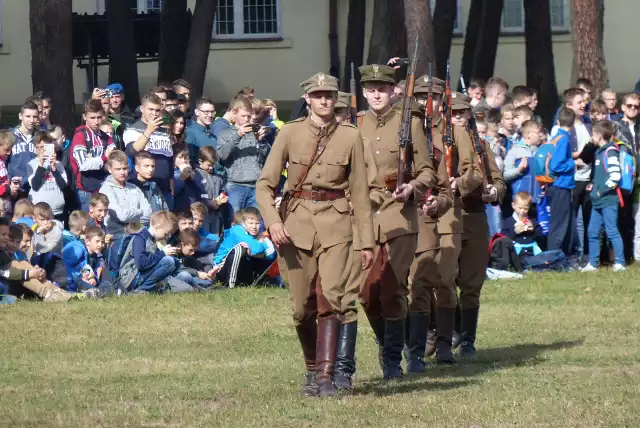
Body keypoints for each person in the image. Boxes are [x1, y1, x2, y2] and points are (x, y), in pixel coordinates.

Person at [256, 72, 375, 397]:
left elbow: (361, 195)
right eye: (318, 95)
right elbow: (265, 185)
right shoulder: (290, 134)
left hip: (337, 225)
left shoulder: (350, 136)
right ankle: (312, 368)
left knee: (333, 299)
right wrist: (273, 222)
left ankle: (325, 378)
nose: (324, 100)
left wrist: (366, 241)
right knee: (301, 308)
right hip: (296, 227)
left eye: (329, 95)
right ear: (307, 99)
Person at [355, 64, 437, 379]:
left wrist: (413, 187)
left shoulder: (410, 124)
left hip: (399, 213)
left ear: (393, 92)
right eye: (371, 88)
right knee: (365, 292)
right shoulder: (354, 124)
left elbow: (427, 170)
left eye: (383, 89)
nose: (377, 94)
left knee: (392, 288)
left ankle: (392, 360)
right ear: (364, 92)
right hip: (364, 216)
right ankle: (387, 339)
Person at [407, 76, 472, 368]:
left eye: (431, 96)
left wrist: (458, 183)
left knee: (445, 280)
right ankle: (420, 344)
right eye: (420, 97)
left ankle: (445, 342)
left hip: (447, 215)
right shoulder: (407, 131)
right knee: (417, 281)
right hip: (414, 213)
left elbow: (474, 172)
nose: (426, 102)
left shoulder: (455, 132)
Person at [449, 93, 506, 358]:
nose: (457, 118)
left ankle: (468, 340)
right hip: (445, 216)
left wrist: (494, 192)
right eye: (453, 113)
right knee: (443, 280)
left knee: (471, 283)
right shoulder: (436, 146)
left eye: (461, 113)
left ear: (469, 116)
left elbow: (498, 180)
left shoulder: (480, 146)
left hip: (473, 216)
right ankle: (451, 331)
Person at [552, 88, 592, 263]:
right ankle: (566, 256)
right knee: (570, 221)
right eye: (579, 102)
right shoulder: (561, 130)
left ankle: (584, 256)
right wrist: (575, 160)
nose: (584, 105)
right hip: (571, 180)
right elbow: (558, 160)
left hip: (588, 178)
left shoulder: (588, 124)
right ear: (568, 106)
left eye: (584, 101)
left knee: (587, 220)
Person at [581, 121, 626, 272]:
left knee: (612, 230)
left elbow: (615, 176)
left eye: (593, 134)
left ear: (599, 136)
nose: (591, 137)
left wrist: (602, 190)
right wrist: (594, 186)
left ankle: (620, 262)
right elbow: (601, 175)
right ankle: (593, 263)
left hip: (608, 200)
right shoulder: (598, 152)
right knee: (592, 231)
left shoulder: (610, 151)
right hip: (597, 201)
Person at [217, 97, 271, 213]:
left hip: (255, 186)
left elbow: (267, 157)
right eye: (244, 116)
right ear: (234, 114)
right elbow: (222, 155)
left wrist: (261, 141)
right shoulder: (226, 133)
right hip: (235, 186)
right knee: (234, 223)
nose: (247, 119)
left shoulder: (255, 134)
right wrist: (238, 135)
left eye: (249, 116)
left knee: (254, 224)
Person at [124, 92, 174, 209]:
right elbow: (131, 151)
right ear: (142, 108)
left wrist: (171, 189)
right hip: (144, 188)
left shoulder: (164, 131)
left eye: (157, 110)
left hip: (165, 189)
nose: (154, 113)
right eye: (150, 109)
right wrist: (149, 131)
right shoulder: (132, 129)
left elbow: (169, 160)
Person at [212, 208, 276, 288]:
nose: (254, 227)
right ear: (243, 224)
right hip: (222, 268)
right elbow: (255, 249)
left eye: (257, 223)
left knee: (259, 254)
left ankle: (260, 279)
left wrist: (259, 248)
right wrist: (260, 241)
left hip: (239, 267)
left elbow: (271, 254)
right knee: (241, 249)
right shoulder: (237, 231)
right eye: (251, 223)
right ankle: (230, 284)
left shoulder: (255, 234)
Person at [70, 99, 115, 211]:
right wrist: (104, 157)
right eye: (92, 118)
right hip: (86, 191)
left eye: (99, 117)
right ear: (84, 117)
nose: (96, 122)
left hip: (104, 189)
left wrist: (104, 161)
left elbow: (113, 161)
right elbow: (83, 164)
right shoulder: (80, 136)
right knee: (88, 226)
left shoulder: (106, 137)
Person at [119, 210, 179, 293]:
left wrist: (164, 252)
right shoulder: (140, 238)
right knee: (169, 261)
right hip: (132, 278)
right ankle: (141, 289)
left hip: (141, 275)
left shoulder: (152, 239)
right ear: (157, 227)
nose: (167, 237)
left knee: (175, 262)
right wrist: (163, 253)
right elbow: (141, 264)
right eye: (166, 234)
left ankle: (153, 287)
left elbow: (153, 259)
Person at [99, 150, 152, 241]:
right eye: (118, 169)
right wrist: (140, 212)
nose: (122, 172)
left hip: (138, 236)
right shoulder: (106, 190)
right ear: (110, 169)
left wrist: (131, 216)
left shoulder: (134, 188)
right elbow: (121, 216)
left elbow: (149, 214)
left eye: (125, 168)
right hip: (117, 238)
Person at [547, 107, 577, 255]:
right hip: (561, 185)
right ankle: (553, 256)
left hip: (557, 185)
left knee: (563, 222)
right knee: (559, 224)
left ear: (558, 121)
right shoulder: (564, 139)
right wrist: (573, 163)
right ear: (573, 123)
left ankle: (560, 255)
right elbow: (556, 165)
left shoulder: (556, 137)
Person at [26, 131, 67, 222]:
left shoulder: (58, 164)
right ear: (35, 148)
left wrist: (54, 168)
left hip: (56, 210)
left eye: (46, 147)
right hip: (39, 211)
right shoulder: (31, 164)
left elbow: (63, 185)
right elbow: (35, 185)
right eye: (41, 147)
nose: (43, 150)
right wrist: (41, 165)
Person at [62, 226, 110, 294]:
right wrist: (82, 279)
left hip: (79, 282)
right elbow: (64, 268)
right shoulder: (78, 249)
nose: (100, 245)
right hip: (67, 284)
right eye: (97, 241)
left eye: (102, 242)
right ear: (87, 241)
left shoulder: (95, 255)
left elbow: (91, 271)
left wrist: (93, 279)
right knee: (98, 291)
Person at [31, 202, 67, 286]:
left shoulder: (56, 230)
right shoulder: (33, 230)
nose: (45, 223)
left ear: (52, 217)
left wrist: (38, 233)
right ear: (34, 219)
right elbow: (31, 250)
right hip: (38, 262)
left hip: (55, 264)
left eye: (48, 219)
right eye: (42, 220)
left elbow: (46, 249)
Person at [8, 101, 40, 190]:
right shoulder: (10, 136)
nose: (31, 120)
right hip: (14, 188)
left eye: (34, 116)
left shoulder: (40, 137)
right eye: (28, 116)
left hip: (35, 188)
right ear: (20, 116)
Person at [196, 146, 227, 235]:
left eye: (213, 165)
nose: (211, 168)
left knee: (215, 238)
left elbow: (222, 191)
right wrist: (209, 203)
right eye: (209, 165)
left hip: (216, 215)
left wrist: (222, 198)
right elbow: (198, 195)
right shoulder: (196, 175)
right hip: (203, 215)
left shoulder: (217, 178)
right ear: (200, 161)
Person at [185, 97, 217, 167]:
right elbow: (191, 160)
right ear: (197, 112)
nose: (210, 115)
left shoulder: (213, 136)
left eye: (212, 112)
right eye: (206, 112)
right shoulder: (190, 132)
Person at [0, 130, 19, 216]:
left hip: (6, 207)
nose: (9, 153)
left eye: (10, 149)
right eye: (6, 149)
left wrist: (12, 187)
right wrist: (8, 189)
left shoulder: (2, 160)